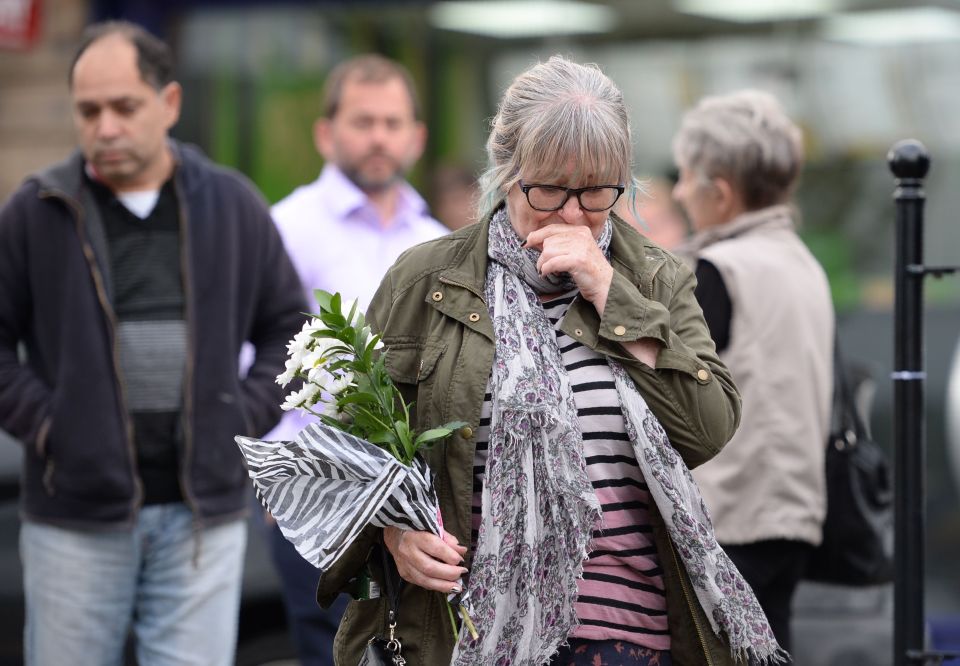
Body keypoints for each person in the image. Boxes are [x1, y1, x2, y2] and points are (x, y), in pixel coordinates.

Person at [317, 56, 789, 666]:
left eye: (595, 192)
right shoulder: (425, 279)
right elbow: (351, 452)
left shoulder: (654, 277)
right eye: (548, 189)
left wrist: (609, 292)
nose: (572, 214)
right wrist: (393, 535)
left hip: (629, 639)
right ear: (505, 172)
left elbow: (708, 428)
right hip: (469, 633)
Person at [0, 21, 305, 666]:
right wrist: (53, 427)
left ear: (168, 103)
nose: (105, 126)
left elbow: (293, 329)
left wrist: (242, 417)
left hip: (203, 520)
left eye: (124, 107)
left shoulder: (231, 204)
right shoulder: (37, 211)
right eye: (89, 111)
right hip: (75, 517)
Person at [262, 53, 448, 665]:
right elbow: (249, 360)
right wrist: (272, 482)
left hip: (418, 508)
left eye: (393, 123)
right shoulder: (284, 229)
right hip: (317, 497)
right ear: (326, 132)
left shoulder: (438, 240)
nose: (378, 137)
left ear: (416, 138)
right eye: (362, 121)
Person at [671, 90, 834, 653]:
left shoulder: (720, 269)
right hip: (794, 513)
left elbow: (676, 389)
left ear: (720, 192)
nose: (677, 190)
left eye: (686, 176)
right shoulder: (801, 260)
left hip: (731, 517)